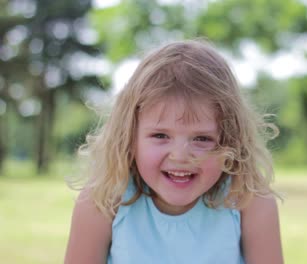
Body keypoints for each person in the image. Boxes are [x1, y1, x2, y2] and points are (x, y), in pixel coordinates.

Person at [64, 39, 283, 264]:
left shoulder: (249, 201)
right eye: (160, 136)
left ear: (231, 142)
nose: (180, 156)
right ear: (129, 137)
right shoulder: (102, 200)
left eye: (202, 139)